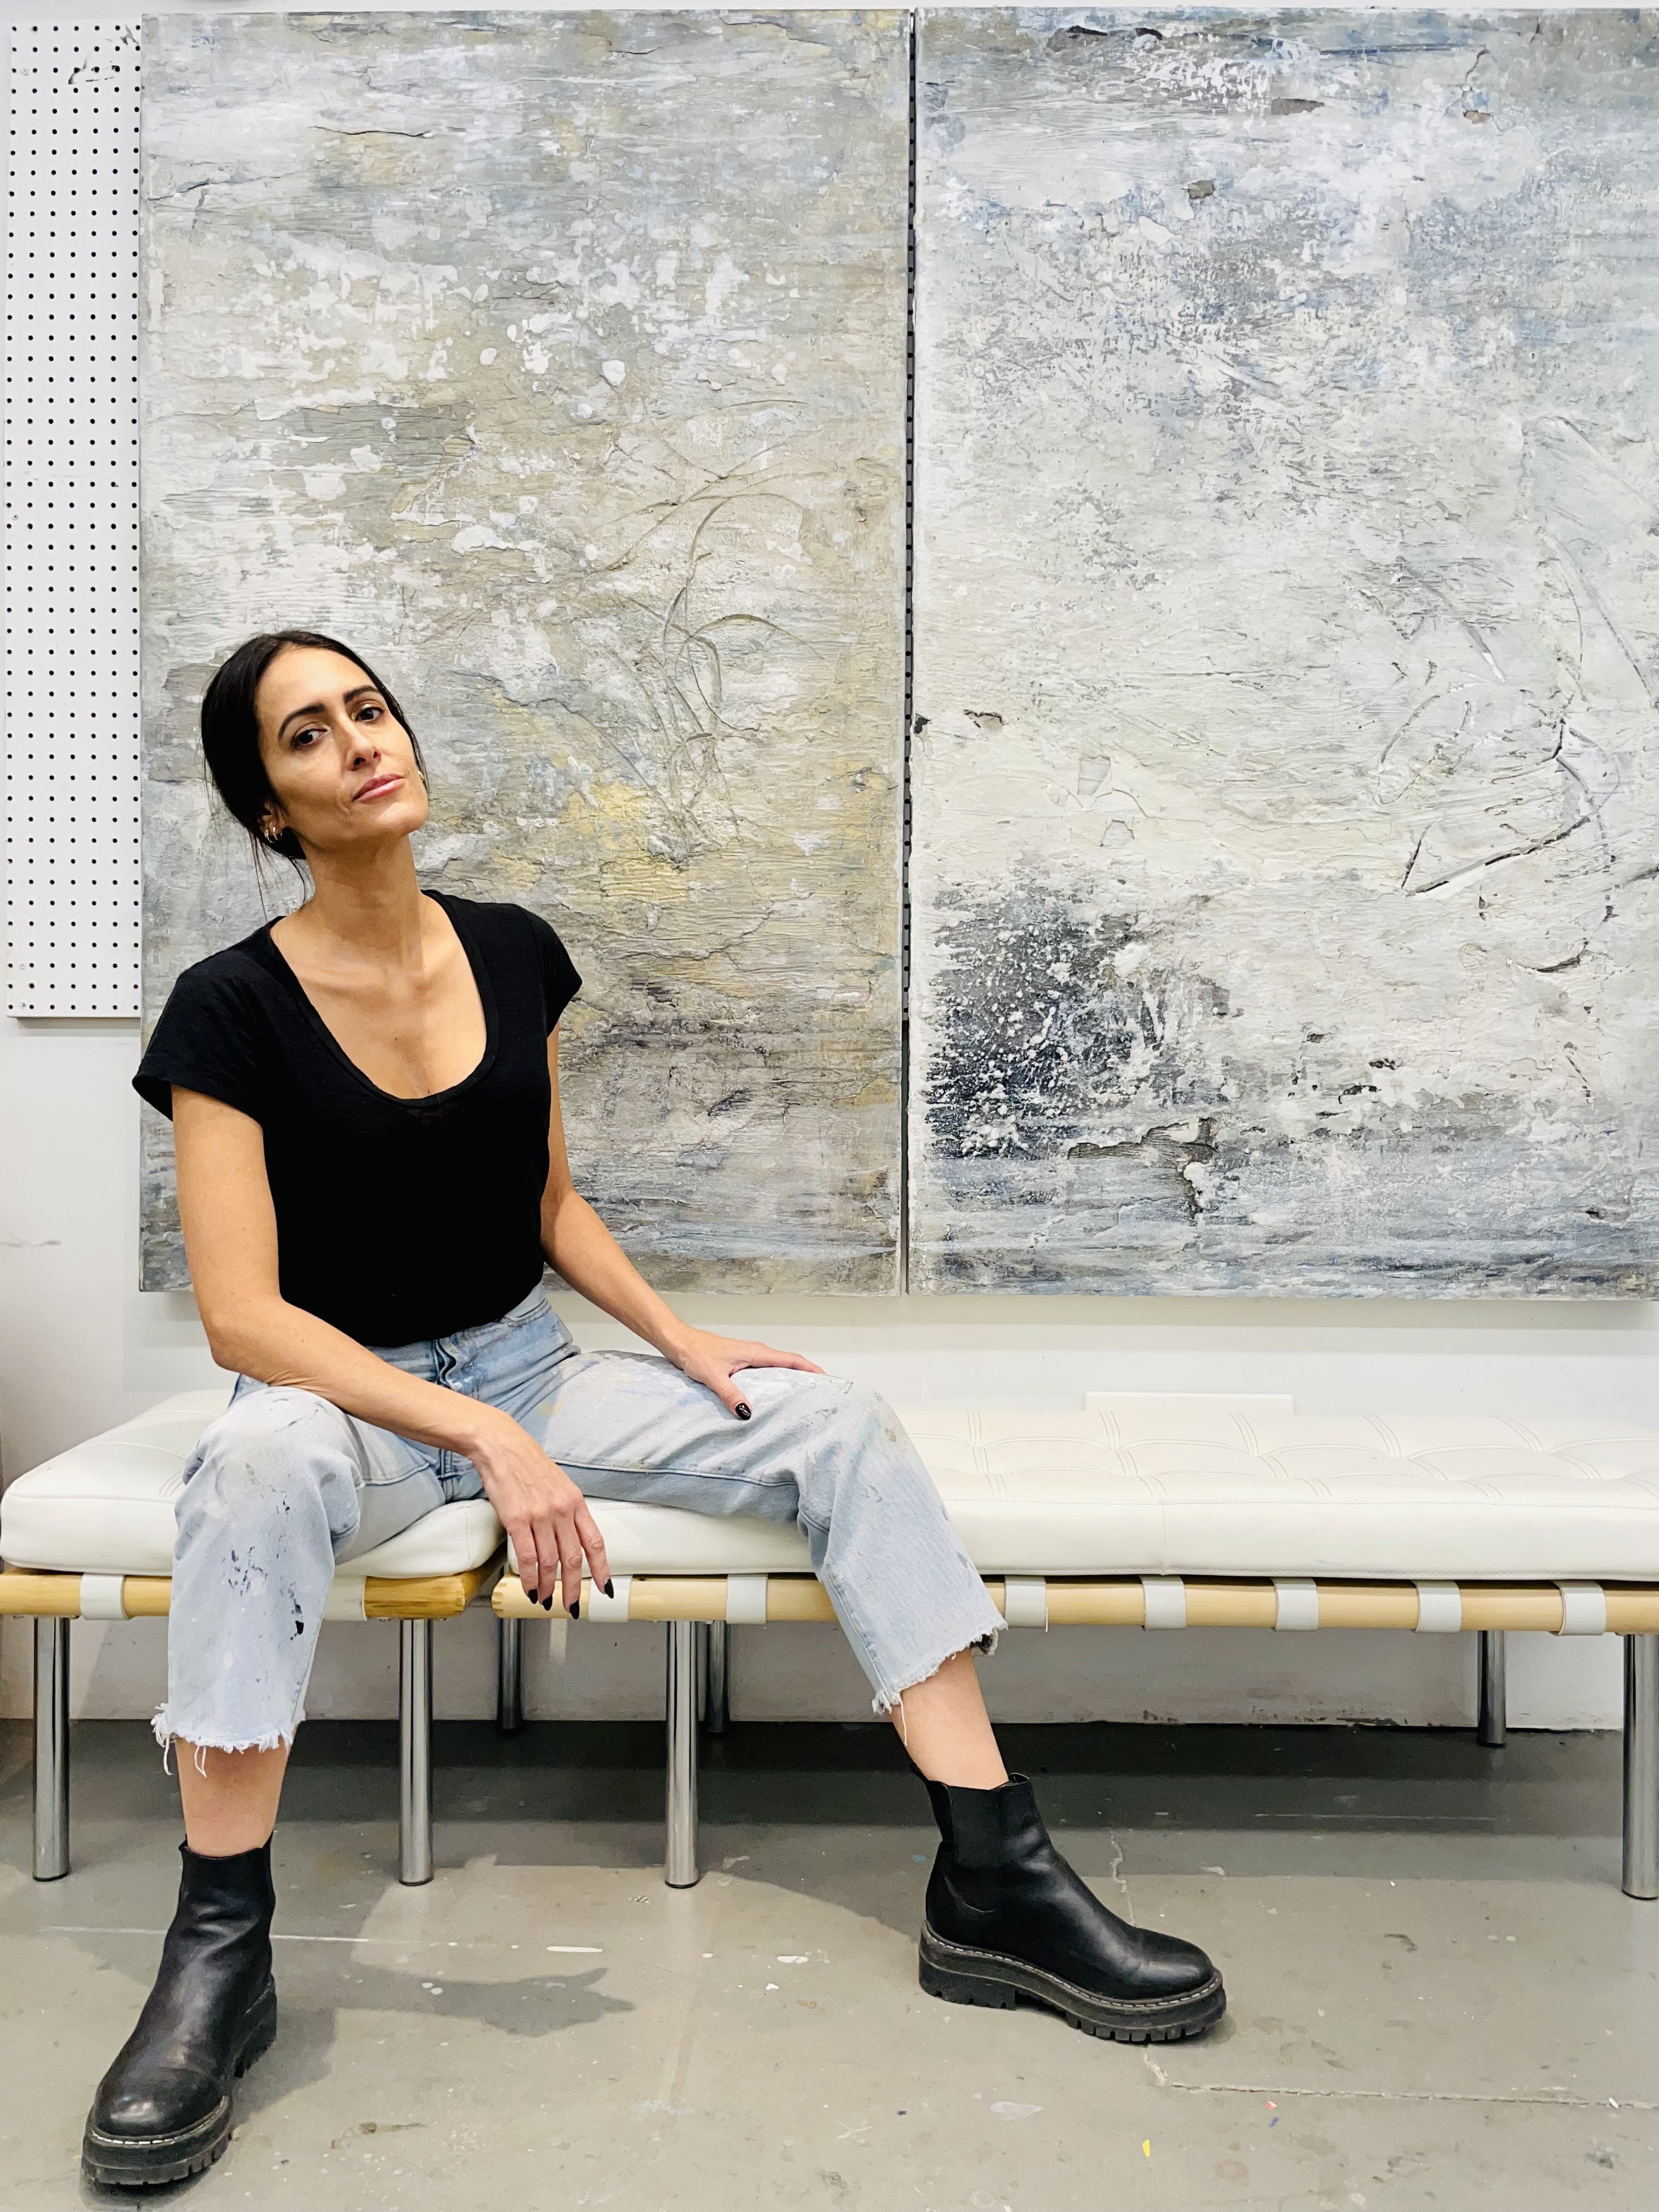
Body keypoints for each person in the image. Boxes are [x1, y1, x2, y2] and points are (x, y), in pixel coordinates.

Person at [83, 629, 1224, 2187]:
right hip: (342, 1398)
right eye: (306, 736)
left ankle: (996, 1876)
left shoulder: (513, 952)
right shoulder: (228, 1009)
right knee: (251, 1465)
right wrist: (483, 1441)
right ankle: (218, 1955)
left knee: (834, 1420)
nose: (359, 742)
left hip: (527, 1359)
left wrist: (685, 1345)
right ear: (270, 809)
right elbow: (243, 1316)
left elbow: (550, 1205)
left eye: (368, 709)